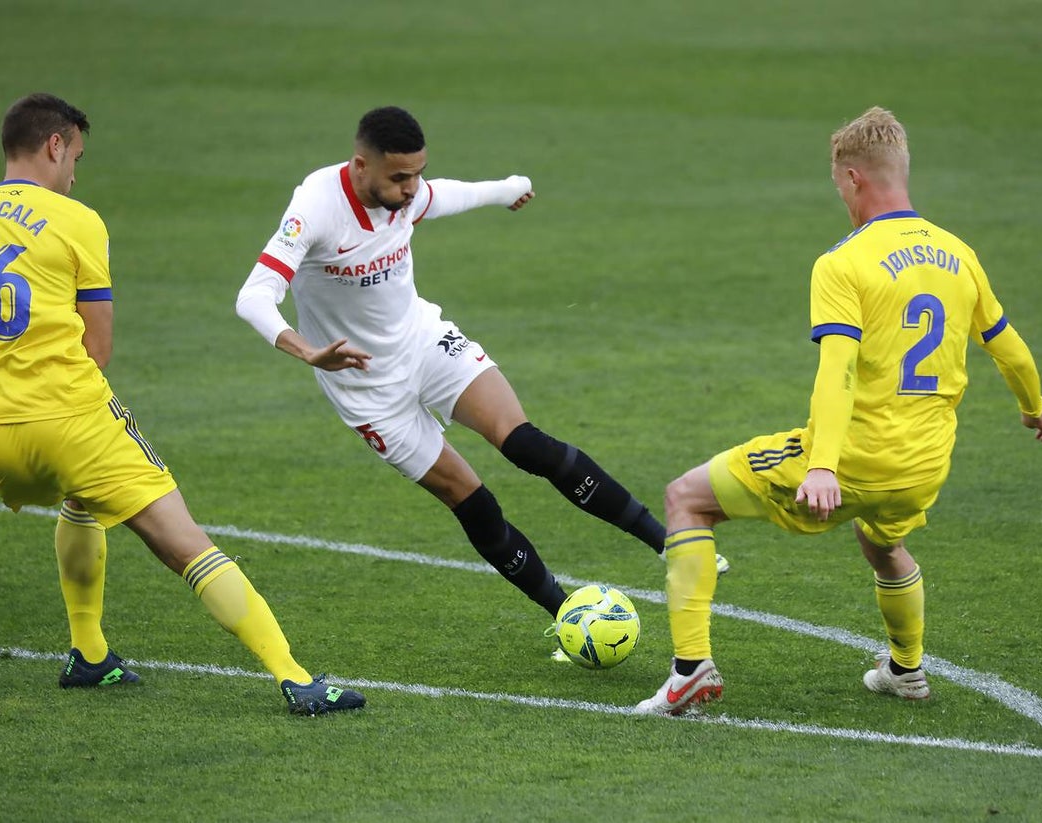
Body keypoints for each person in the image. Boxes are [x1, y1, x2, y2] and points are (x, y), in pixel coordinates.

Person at [0, 93, 364, 716]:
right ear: (55, 145)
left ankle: (89, 654)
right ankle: (295, 678)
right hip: (70, 419)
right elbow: (98, 349)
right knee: (186, 543)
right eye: (76, 156)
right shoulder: (77, 221)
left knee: (80, 498)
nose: (74, 173)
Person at [636, 106, 1042, 715]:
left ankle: (690, 670)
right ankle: (906, 670)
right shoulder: (959, 253)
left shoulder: (843, 262)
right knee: (882, 543)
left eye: (838, 183)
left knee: (686, 498)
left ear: (852, 177)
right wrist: (1035, 410)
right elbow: (1010, 347)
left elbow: (837, 371)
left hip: (855, 459)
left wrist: (821, 466)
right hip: (923, 466)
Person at [236, 106, 724, 643]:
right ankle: (569, 618)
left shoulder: (406, 193)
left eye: (417, 174)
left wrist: (508, 189)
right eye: (399, 177)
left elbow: (446, 195)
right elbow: (254, 296)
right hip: (366, 389)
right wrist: (308, 352)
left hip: (423, 342)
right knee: (473, 501)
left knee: (527, 444)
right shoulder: (316, 207)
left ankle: (668, 542)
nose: (410, 189)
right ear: (360, 165)